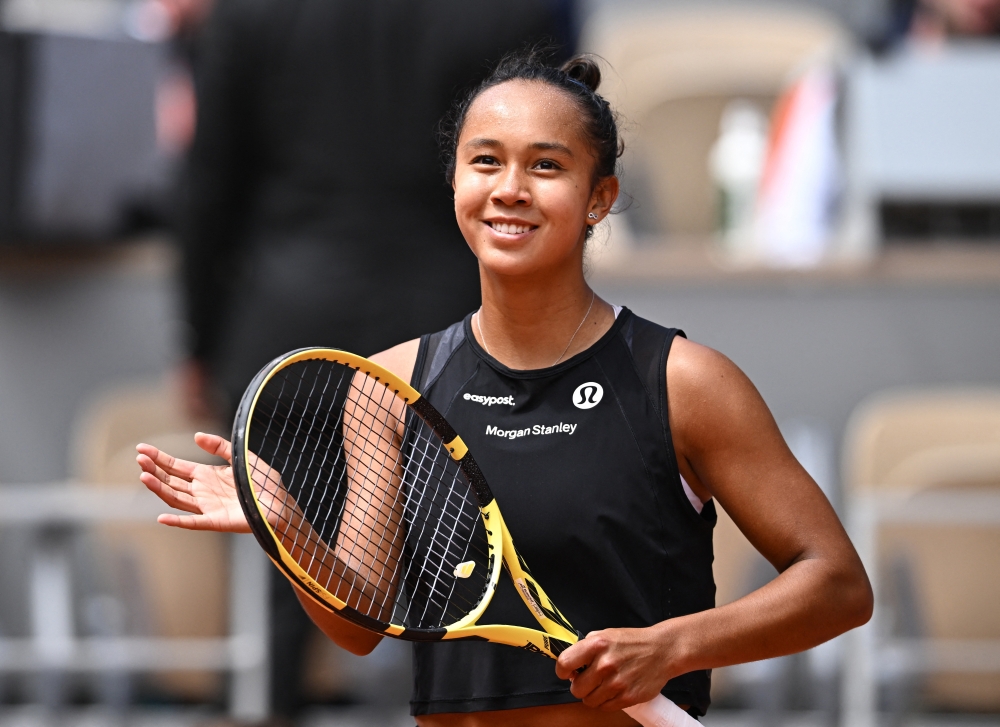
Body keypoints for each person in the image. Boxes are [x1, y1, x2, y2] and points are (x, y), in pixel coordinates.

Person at [138, 51, 873, 726]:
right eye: (485, 161)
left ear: (599, 196)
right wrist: (288, 529)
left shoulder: (685, 381)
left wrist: (672, 647)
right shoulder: (387, 384)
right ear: (456, 181)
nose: (510, 190)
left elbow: (837, 583)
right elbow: (359, 626)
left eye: (546, 166)